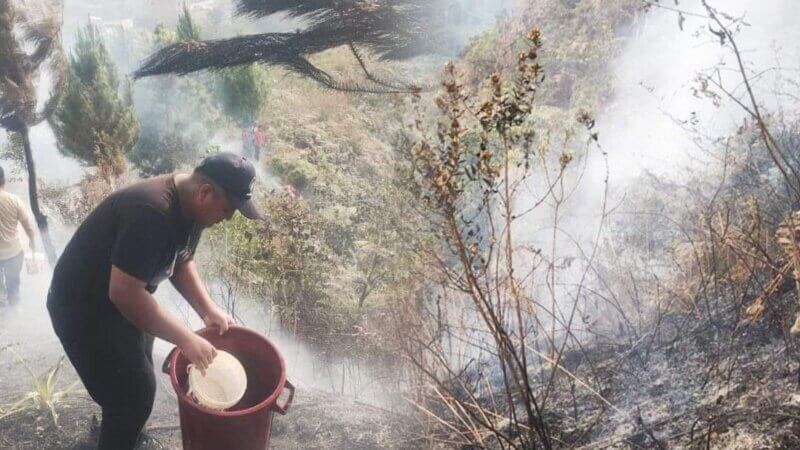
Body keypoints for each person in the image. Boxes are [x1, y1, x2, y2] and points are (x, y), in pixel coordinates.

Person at [47, 153, 264, 449]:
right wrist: (186, 339)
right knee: (133, 396)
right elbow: (124, 293)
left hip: (121, 301)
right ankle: (119, 434)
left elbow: (182, 259)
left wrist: (208, 310)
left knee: (137, 370)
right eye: (227, 210)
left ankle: (126, 433)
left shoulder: (192, 210)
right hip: (83, 309)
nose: (226, 219)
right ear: (205, 192)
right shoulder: (152, 211)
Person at [0, 165, 36, 305]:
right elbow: (28, 227)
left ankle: (3, 318)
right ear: (4, 180)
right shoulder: (15, 200)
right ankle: (15, 314)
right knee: (13, 287)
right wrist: (32, 242)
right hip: (14, 253)